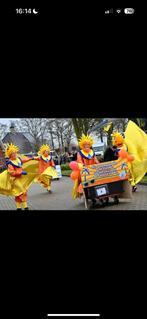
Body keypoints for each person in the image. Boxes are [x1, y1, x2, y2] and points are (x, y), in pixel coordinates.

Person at [0, 143, 36, 210]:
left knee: (19, 192)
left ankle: (20, 207)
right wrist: (21, 172)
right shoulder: (10, 163)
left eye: (15, 153)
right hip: (14, 180)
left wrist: (32, 158)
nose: (14, 154)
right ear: (10, 155)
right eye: (13, 153)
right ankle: (25, 206)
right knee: (22, 191)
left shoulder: (18, 159)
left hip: (20, 179)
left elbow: (24, 160)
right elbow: (12, 173)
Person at [70, 134, 99, 201]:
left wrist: (98, 164)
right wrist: (83, 166)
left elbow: (95, 159)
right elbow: (79, 161)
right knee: (86, 183)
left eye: (88, 144)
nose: (87, 146)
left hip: (92, 170)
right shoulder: (80, 153)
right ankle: (87, 196)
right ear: (83, 145)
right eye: (85, 145)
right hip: (84, 171)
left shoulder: (92, 152)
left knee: (95, 182)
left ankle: (96, 195)